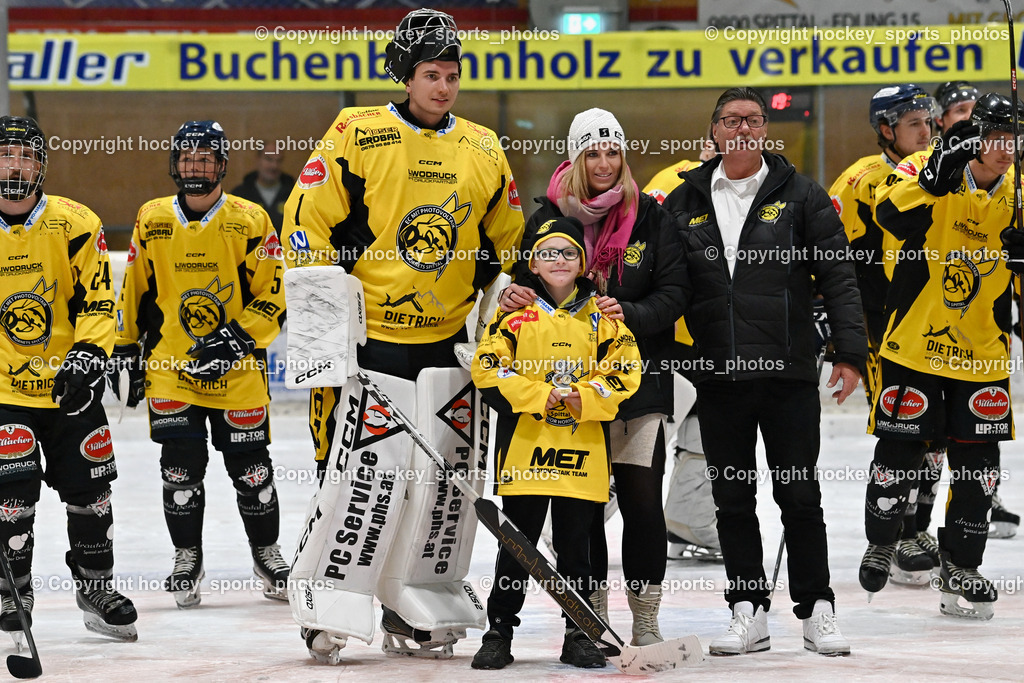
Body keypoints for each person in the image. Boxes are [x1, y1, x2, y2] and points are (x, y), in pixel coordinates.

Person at [281, 8, 524, 663]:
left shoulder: (482, 147)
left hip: (445, 347)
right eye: (430, 75)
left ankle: (411, 596)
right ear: (404, 76)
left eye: (451, 74)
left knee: (440, 480)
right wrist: (322, 348)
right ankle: (329, 598)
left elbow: (506, 247)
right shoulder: (357, 134)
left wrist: (497, 331)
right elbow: (306, 228)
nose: (443, 87)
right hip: (371, 343)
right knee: (364, 478)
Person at [662, 87, 864, 656]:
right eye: (731, 120)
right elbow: (668, 286)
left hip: (787, 372)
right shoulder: (685, 201)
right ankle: (746, 610)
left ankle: (817, 608)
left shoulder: (804, 196)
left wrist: (849, 354)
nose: (743, 129)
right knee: (732, 498)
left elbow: (839, 280)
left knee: (799, 496)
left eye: (753, 119)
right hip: (720, 375)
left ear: (765, 131)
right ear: (714, 133)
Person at [499, 108, 687, 646]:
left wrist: (629, 313)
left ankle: (646, 623)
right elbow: (520, 289)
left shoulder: (651, 217)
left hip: (638, 384)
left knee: (642, 504)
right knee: (582, 510)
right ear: (575, 156)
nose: (604, 163)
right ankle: (593, 620)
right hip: (568, 394)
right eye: (593, 152)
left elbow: (675, 294)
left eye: (613, 152)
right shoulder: (547, 219)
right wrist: (511, 296)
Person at [111, 120, 289, 609]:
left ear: (221, 166)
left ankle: (266, 552)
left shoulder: (250, 220)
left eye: (205, 159)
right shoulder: (152, 218)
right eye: (187, 158)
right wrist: (124, 346)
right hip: (173, 368)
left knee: (254, 471)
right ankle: (186, 554)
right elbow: (134, 288)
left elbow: (275, 296)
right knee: (179, 471)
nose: (195, 166)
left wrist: (231, 341)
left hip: (238, 375)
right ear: (175, 164)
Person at [862, 93, 1021, 620]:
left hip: (981, 354)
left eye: (1016, 139)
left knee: (980, 469)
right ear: (976, 134)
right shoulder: (929, 165)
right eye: (998, 137)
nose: (1007, 150)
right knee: (900, 451)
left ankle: (962, 565)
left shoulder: (1020, 191)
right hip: (915, 341)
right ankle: (884, 540)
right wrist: (932, 180)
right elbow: (888, 216)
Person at [469, 216, 641, 670]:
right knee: (516, 546)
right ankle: (499, 631)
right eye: (548, 252)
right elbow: (488, 366)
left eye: (568, 252)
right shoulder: (515, 314)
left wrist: (584, 398)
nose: (559, 260)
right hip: (526, 450)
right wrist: (539, 395)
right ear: (533, 262)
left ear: (582, 262)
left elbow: (624, 372)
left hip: (582, 451)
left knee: (576, 548)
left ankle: (578, 634)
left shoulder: (602, 315)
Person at [0, 115, 137, 643]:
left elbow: (100, 299)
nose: (15, 166)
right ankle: (14, 590)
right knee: (12, 495)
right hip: (6, 391)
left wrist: (87, 354)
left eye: (25, 157)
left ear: (41, 166)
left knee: (92, 491)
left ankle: (95, 586)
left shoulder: (77, 222)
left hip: (68, 386)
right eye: (6, 156)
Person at [828, 84, 941, 584]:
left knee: (937, 439)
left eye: (928, 120)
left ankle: (918, 527)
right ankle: (897, 534)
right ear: (885, 129)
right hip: (884, 327)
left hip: (940, 324)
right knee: (904, 432)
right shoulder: (858, 181)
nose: (926, 130)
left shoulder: (947, 171)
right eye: (914, 122)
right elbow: (830, 257)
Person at [933, 80, 1021, 541]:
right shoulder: (928, 174)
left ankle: (965, 536)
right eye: (959, 111)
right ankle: (909, 527)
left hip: (983, 339)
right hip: (922, 331)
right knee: (922, 442)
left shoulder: (1017, 189)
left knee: (976, 442)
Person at [642, 137, 721, 563]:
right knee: (642, 436)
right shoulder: (671, 180)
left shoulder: (755, 189)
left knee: (709, 433)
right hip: (668, 337)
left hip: (719, 338)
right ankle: (573, 529)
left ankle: (688, 521)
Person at [230, 142, 294, 235]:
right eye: (269, 159)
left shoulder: (293, 195)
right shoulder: (240, 195)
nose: (274, 166)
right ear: (258, 160)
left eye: (278, 161)